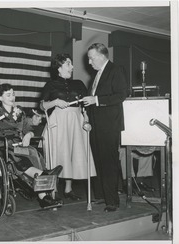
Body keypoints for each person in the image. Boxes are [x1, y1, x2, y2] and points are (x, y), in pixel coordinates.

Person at [0, 83, 63, 209]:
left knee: (34, 153)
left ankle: (43, 195)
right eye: (8, 95)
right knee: (15, 155)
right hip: (3, 145)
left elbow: (27, 128)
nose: (12, 97)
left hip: (19, 144)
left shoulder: (20, 111)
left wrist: (28, 134)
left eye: (13, 94)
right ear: (0, 98)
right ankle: (43, 174)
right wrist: (10, 137)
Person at [40, 54, 97, 201]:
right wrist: (56, 102)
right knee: (58, 153)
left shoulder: (78, 84)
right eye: (68, 64)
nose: (72, 67)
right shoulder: (50, 85)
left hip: (76, 120)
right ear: (59, 67)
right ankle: (53, 190)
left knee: (73, 152)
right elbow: (42, 105)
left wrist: (86, 117)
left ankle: (68, 189)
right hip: (58, 121)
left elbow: (86, 105)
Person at [81, 43, 128, 212]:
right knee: (98, 161)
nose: (89, 61)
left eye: (91, 58)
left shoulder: (115, 70)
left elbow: (122, 94)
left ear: (101, 56)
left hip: (109, 125)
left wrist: (96, 100)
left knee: (108, 161)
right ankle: (102, 196)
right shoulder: (97, 74)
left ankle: (112, 201)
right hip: (96, 124)